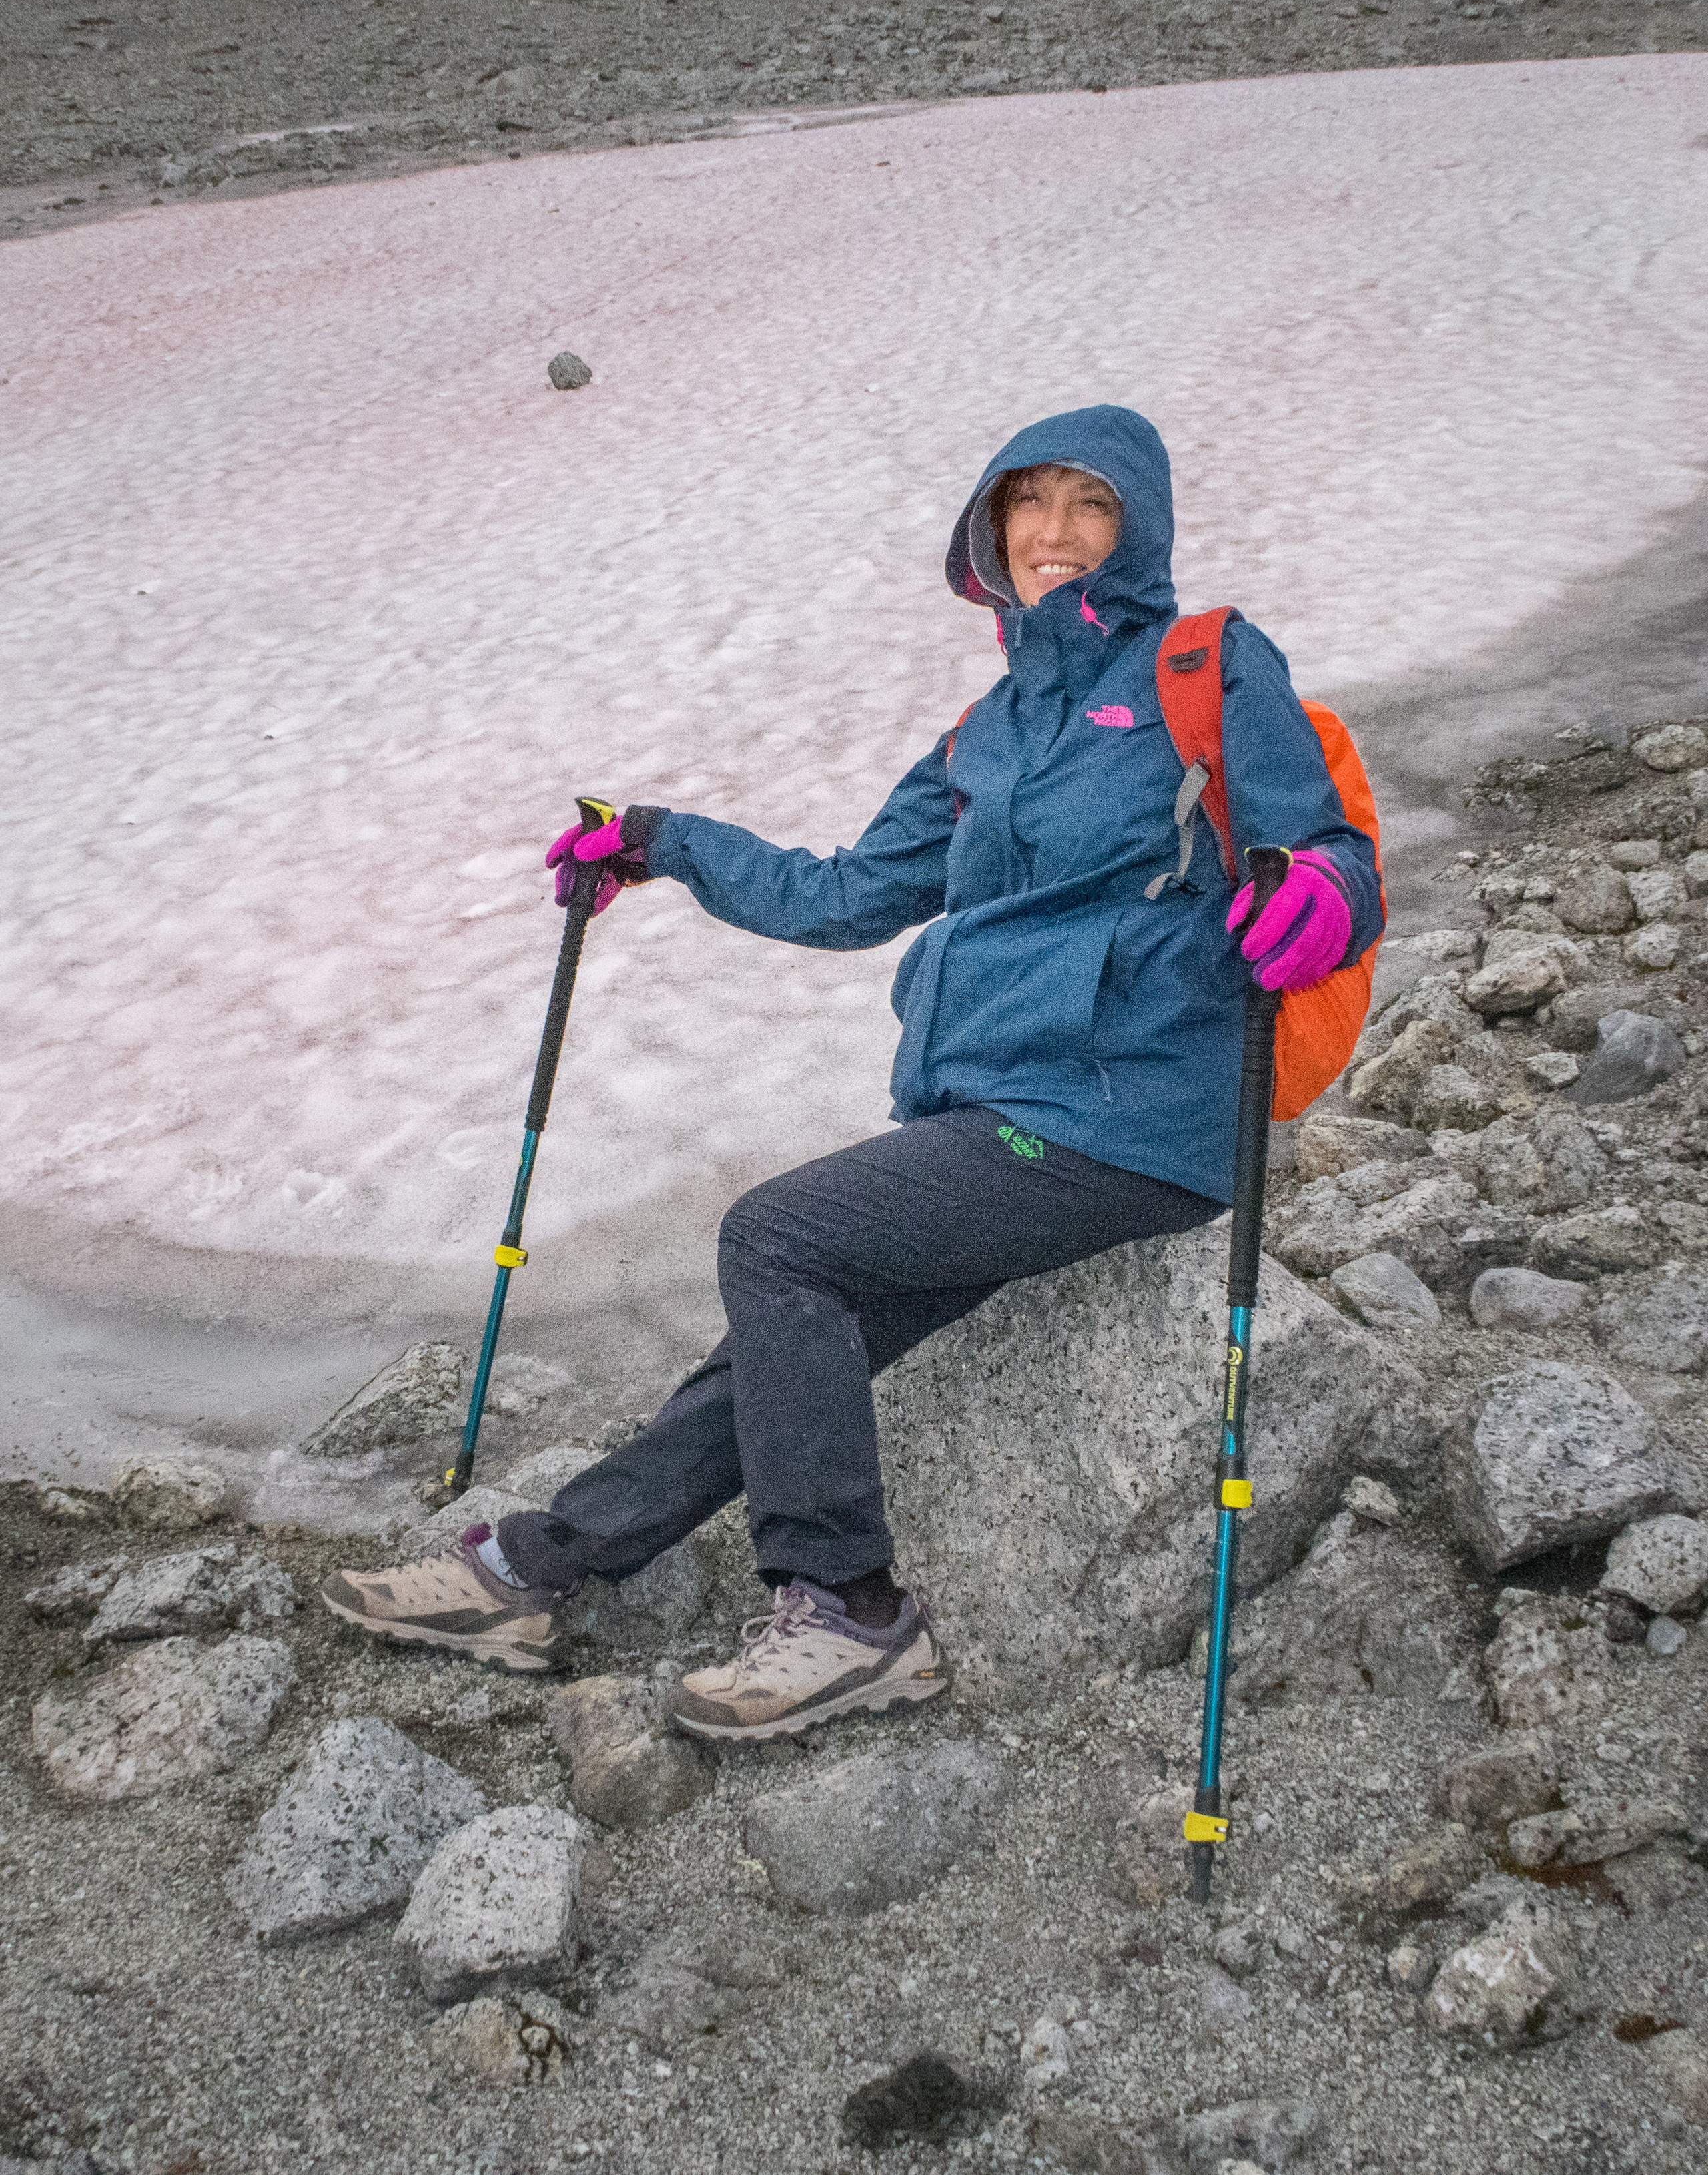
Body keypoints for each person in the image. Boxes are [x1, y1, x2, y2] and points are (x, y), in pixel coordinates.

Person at [322, 404, 1384, 1738]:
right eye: (1027, 504)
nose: (1054, 532)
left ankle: (849, 1612)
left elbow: (1318, 841)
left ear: (1137, 526)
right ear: (988, 533)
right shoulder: (984, 735)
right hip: (999, 1113)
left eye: (1088, 505)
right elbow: (840, 897)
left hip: (1129, 1116)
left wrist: (1325, 896)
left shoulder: (1205, 666)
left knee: (778, 1239)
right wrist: (659, 837)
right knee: (776, 1348)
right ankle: (543, 1569)